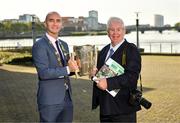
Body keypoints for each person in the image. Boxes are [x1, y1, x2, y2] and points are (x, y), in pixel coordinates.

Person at [91, 17, 141, 122]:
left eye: (118, 29)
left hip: (123, 110)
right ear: (107, 32)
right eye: (112, 29)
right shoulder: (103, 51)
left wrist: (108, 83)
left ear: (124, 31)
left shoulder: (131, 50)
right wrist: (94, 75)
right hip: (105, 109)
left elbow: (132, 77)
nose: (115, 33)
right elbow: (101, 76)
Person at [32, 11, 79, 122]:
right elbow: (43, 73)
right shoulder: (39, 45)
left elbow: (65, 70)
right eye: (51, 20)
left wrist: (76, 68)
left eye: (58, 21)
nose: (55, 23)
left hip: (67, 98)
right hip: (50, 101)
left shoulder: (64, 45)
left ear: (61, 24)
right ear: (45, 24)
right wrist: (68, 69)